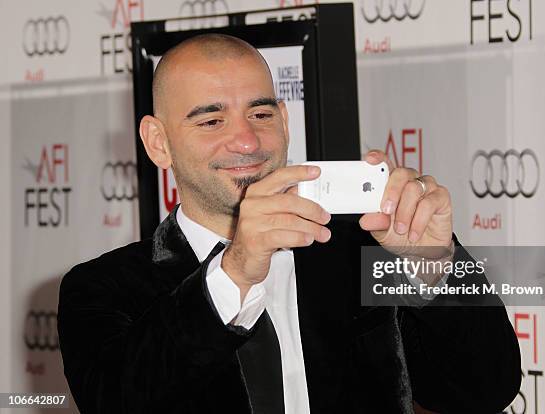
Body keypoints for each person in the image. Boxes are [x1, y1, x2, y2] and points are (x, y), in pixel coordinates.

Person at [57, 34, 521, 414]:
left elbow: (484, 389)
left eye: (260, 114)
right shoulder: (102, 289)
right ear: (158, 142)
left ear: (284, 120)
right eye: (211, 120)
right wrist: (235, 271)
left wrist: (434, 265)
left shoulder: (363, 247)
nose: (245, 140)